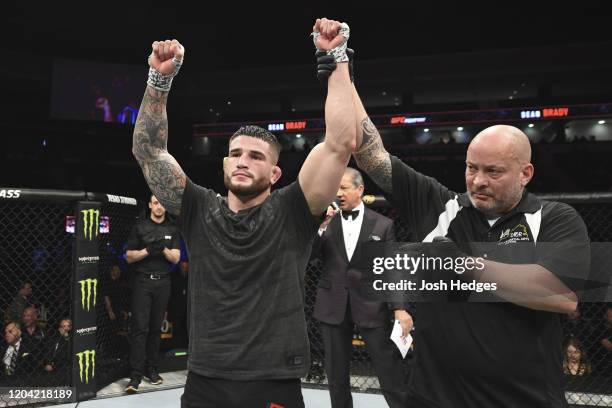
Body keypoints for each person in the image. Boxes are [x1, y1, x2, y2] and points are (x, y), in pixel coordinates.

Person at [131, 17, 356, 408]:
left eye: (256, 156)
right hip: (205, 377)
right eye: (235, 154)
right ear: (223, 164)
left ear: (275, 172)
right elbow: (148, 151)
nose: (242, 162)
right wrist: (159, 80)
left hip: (274, 378)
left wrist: (335, 57)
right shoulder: (198, 208)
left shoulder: (294, 210)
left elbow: (340, 143)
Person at [350, 69, 590, 405]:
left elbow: (561, 296)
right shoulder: (441, 207)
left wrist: (463, 265)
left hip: (522, 399)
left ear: (525, 173)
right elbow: (370, 154)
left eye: (493, 171)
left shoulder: (555, 218)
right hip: (433, 398)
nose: (477, 181)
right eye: (471, 167)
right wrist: (339, 67)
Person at [311, 167, 410, 408]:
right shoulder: (325, 221)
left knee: (389, 371)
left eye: (343, 187)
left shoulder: (383, 225)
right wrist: (321, 227)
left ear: (359, 189)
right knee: (336, 375)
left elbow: (393, 268)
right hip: (333, 304)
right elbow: (310, 257)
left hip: (371, 305)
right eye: (335, 188)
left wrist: (399, 308)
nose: (338, 193)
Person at [124, 195, 181, 393]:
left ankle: (153, 370)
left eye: (162, 203)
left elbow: (176, 258)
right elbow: (129, 257)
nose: (159, 207)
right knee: (140, 329)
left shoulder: (172, 228)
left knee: (156, 329)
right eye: (155, 203)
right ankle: (135, 376)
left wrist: (163, 247)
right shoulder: (140, 227)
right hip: (142, 281)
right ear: (149, 205)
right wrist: (147, 250)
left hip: (163, 282)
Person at [0, 322, 34, 386]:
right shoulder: (2, 348)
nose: (7, 334)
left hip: (23, 383)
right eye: (6, 332)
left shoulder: (29, 346)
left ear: (19, 332)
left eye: (10, 331)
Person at [41, 318, 72, 386]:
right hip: (52, 366)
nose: (66, 329)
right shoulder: (53, 339)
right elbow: (48, 352)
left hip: (65, 367)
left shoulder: (72, 339)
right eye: (63, 326)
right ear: (59, 328)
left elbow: (67, 354)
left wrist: (66, 338)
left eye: (68, 326)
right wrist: (47, 363)